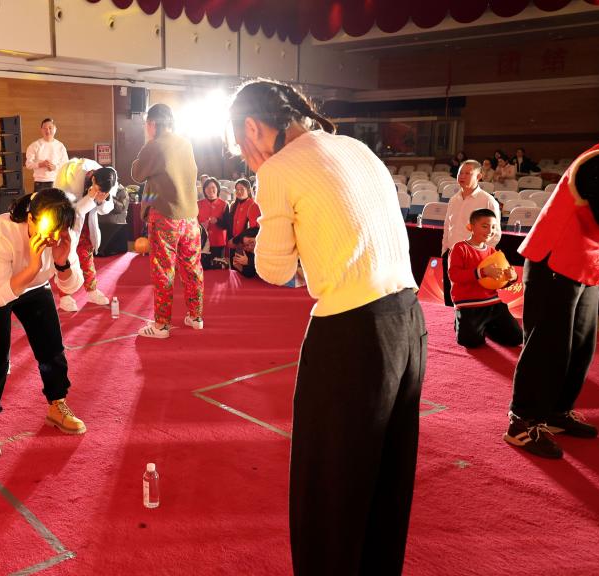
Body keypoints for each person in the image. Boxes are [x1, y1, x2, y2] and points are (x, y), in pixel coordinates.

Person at [229, 79, 424, 576]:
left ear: (252, 127)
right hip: (408, 324)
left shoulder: (278, 169)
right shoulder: (354, 147)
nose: (246, 157)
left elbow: (273, 269)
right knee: (386, 481)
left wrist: (268, 197)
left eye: (241, 145)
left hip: (352, 334)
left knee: (329, 490)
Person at [0, 188, 86, 459]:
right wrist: (32, 267)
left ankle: (57, 404)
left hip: (35, 286)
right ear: (30, 218)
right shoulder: (1, 230)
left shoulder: (63, 234)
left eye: (60, 230)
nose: (52, 237)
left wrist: (62, 262)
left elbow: (72, 286)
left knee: (51, 346)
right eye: (48, 229)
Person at [505, 142, 599, 459]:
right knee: (548, 346)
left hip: (589, 262)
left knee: (580, 345)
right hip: (557, 257)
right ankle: (522, 422)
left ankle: (556, 412)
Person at [131, 103, 204, 338]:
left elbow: (136, 173)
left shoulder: (154, 145)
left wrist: (148, 142)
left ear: (152, 123)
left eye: (147, 124)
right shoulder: (185, 143)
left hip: (165, 216)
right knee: (192, 268)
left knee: (163, 270)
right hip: (190, 217)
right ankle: (196, 316)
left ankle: (161, 325)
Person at [448, 208, 523, 348]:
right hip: (468, 305)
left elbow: (499, 282)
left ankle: (487, 327)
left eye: (493, 227)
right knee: (471, 342)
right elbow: (454, 275)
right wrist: (481, 272)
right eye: (485, 226)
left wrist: (512, 278)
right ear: (470, 227)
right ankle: (464, 322)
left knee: (517, 338)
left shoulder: (492, 251)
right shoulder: (460, 248)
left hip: (493, 304)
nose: (490, 231)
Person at [53, 158, 117, 312]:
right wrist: (90, 198)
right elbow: (73, 210)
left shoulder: (109, 178)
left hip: (86, 221)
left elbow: (106, 209)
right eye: (99, 189)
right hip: (67, 218)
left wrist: (101, 201)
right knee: (66, 256)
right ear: (93, 180)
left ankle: (91, 290)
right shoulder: (72, 175)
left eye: (104, 192)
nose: (100, 193)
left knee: (87, 253)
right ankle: (65, 295)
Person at [441, 159, 501, 307]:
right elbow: (447, 227)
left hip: (473, 258)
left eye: (468, 173)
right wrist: (444, 251)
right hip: (451, 255)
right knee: (450, 300)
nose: (462, 176)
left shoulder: (487, 200)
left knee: (470, 301)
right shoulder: (453, 200)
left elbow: (495, 233)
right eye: (460, 172)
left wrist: (481, 254)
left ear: (479, 176)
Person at [25, 118, 68, 192]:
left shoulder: (60, 146)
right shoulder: (34, 145)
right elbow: (28, 164)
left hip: (56, 181)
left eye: (50, 128)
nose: (47, 131)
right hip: (40, 182)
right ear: (41, 130)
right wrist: (41, 164)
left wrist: (55, 167)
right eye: (45, 128)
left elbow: (66, 164)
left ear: (55, 129)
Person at [197, 177, 229, 269]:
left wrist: (218, 221)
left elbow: (227, 225)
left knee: (217, 268)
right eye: (207, 188)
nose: (210, 190)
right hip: (202, 242)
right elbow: (193, 223)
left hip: (218, 242)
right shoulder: (198, 204)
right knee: (204, 268)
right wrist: (201, 226)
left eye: (213, 187)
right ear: (204, 190)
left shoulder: (224, 205)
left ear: (217, 189)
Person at [227, 178, 260, 252]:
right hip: (233, 242)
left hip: (245, 244)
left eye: (242, 189)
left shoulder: (253, 205)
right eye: (237, 189)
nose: (239, 191)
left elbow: (254, 228)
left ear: (248, 190)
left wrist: (236, 240)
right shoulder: (234, 205)